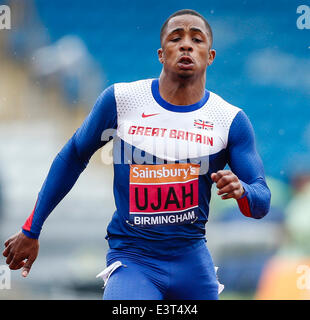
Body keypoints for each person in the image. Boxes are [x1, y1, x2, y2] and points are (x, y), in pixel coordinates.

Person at [2, 9, 271, 300]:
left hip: (192, 262)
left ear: (210, 56)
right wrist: (32, 229)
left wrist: (242, 190)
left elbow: (261, 202)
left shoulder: (229, 119)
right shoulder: (122, 100)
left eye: (197, 39)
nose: (186, 45)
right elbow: (72, 157)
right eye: (176, 38)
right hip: (133, 260)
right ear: (161, 53)